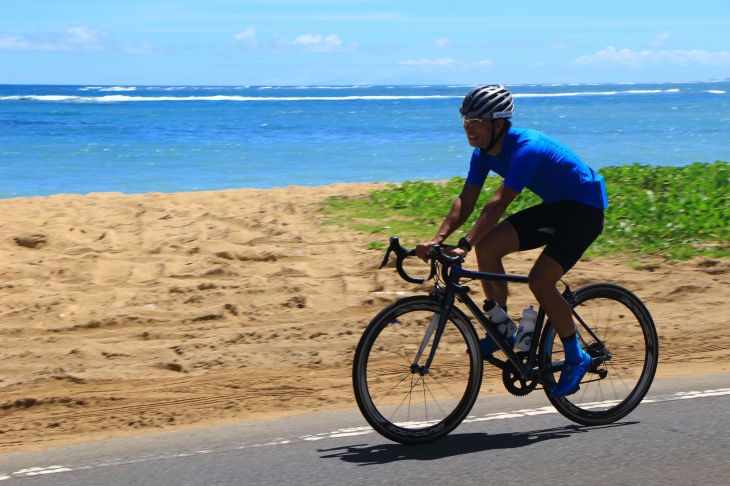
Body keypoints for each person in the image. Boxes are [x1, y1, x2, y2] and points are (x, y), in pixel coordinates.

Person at [415, 85, 608, 398]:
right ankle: (502, 325)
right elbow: (466, 200)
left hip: (585, 209)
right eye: (466, 120)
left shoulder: (526, 148)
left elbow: (498, 203)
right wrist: (437, 239)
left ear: (499, 123)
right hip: (557, 207)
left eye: (476, 121)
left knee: (540, 281)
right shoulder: (482, 155)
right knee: (488, 246)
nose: (469, 127)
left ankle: (577, 356)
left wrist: (462, 244)